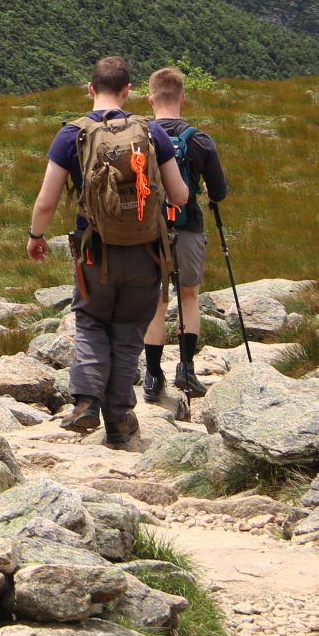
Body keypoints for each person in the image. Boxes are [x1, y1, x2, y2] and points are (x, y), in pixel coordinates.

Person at [26, 56, 189, 445]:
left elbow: (47, 201)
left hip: (93, 252)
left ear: (90, 88)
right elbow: (180, 195)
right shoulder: (151, 133)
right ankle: (119, 418)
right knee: (128, 330)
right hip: (146, 252)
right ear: (128, 90)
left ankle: (85, 403)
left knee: (92, 321)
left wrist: (36, 236)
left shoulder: (72, 135)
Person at [142, 66, 228, 401]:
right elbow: (219, 192)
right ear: (183, 97)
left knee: (157, 301)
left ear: (150, 98)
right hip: (189, 226)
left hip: (149, 229)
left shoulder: (140, 137)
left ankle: (152, 375)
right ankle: (187, 369)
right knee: (188, 296)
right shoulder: (200, 139)